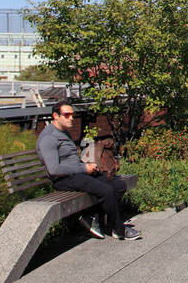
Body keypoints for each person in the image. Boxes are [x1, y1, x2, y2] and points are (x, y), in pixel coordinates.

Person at [38, 101, 141, 240]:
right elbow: (54, 169)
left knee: (118, 186)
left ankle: (92, 216)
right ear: (55, 116)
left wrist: (88, 166)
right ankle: (119, 229)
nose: (71, 118)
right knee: (107, 191)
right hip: (64, 179)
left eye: (72, 115)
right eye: (66, 115)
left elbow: (71, 160)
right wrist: (83, 168)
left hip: (77, 173)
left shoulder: (63, 132)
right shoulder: (48, 138)